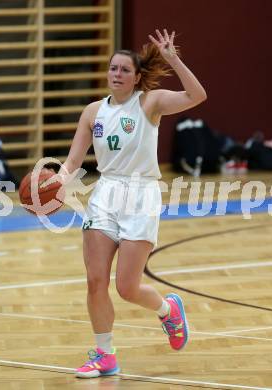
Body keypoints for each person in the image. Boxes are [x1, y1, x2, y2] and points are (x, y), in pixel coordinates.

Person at [60, 28, 207, 378]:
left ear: (137, 77)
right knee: (96, 280)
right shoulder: (93, 112)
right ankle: (104, 354)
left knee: (127, 287)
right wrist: (56, 184)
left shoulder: (150, 102)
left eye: (125, 69)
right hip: (106, 193)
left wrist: (173, 59)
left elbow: (197, 95)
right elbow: (72, 163)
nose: (117, 74)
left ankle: (167, 310)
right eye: (113, 68)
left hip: (141, 194)